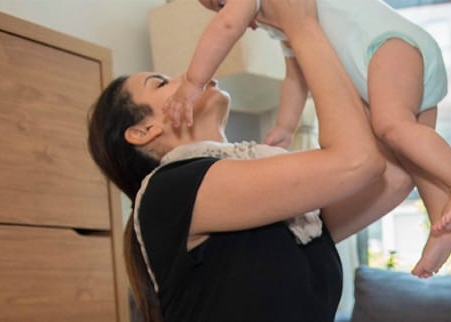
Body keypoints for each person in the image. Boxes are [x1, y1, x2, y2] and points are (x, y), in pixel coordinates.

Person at [88, 1, 415, 321]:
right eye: (161, 83)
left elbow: (396, 175)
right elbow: (357, 162)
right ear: (144, 130)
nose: (188, 75)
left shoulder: (291, 215)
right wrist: (300, 26)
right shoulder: (168, 190)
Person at [163, 0, 451, 277]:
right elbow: (295, 75)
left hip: (389, 46)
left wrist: (193, 83)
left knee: (391, 125)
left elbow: (226, 27)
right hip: (390, 56)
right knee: (414, 158)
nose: (228, 12)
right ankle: (442, 226)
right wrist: (286, 125)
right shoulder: (286, 21)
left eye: (219, 3)